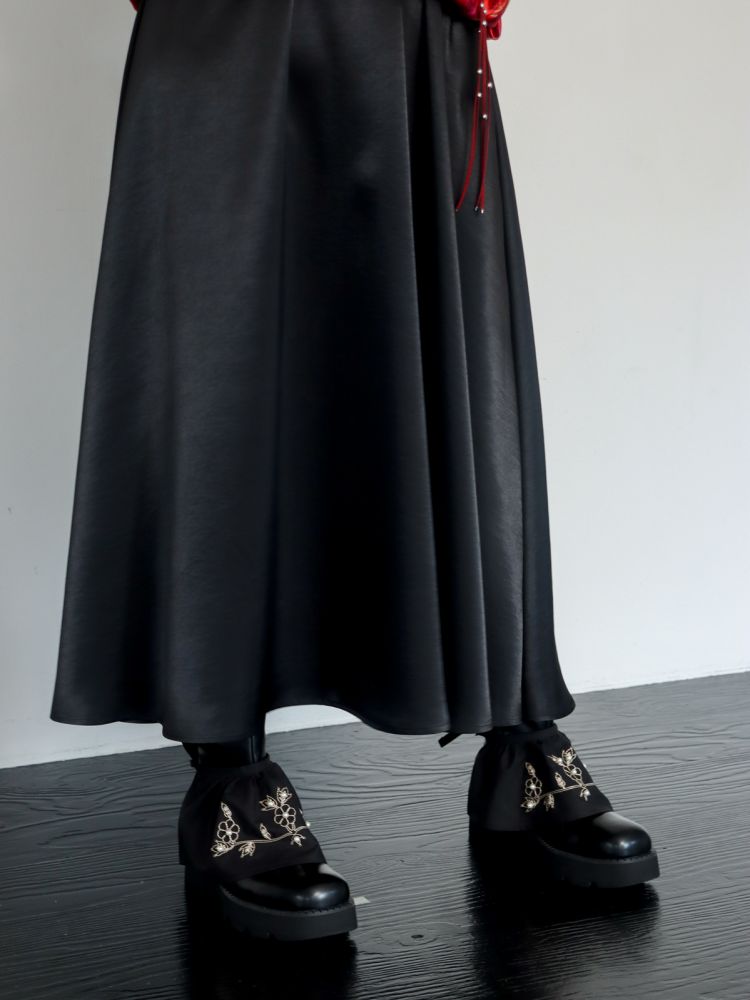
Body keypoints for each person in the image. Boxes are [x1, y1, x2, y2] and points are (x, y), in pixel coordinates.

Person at [50, 0, 659, 941]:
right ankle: (229, 777)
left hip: (418, 26)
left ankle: (519, 738)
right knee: (224, 358)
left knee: (466, 361)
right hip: (228, 25)